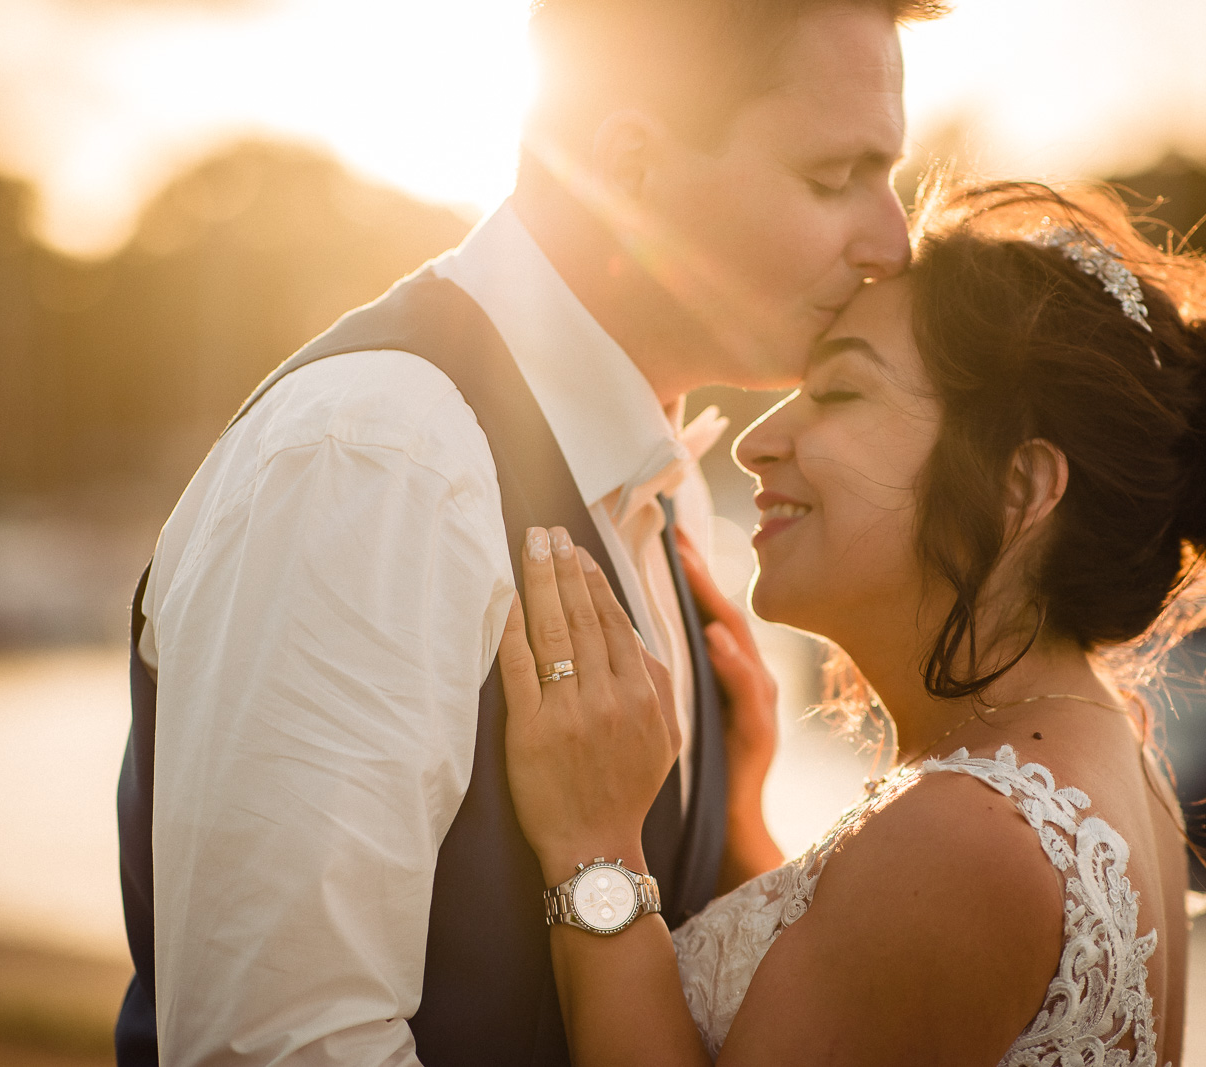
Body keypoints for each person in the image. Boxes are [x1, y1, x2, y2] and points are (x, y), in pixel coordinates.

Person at [113, 1, 936, 1063]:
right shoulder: (375, 455)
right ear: (630, 164)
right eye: (834, 179)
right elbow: (278, 1045)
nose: (891, 240)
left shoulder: (661, 482)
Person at [497, 178, 1206, 1066]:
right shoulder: (1107, 760)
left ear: (1021, 488)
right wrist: (740, 824)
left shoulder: (961, 839)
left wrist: (595, 850)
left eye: (840, 391)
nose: (755, 440)